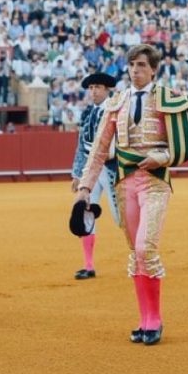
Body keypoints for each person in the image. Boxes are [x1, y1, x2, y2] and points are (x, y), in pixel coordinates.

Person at [74, 44, 188, 345]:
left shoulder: (168, 99)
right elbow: (99, 150)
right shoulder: (116, 102)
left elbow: (187, 144)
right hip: (125, 184)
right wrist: (84, 188)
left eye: (141, 65)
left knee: (145, 248)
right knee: (135, 252)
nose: (135, 70)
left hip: (154, 183)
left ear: (153, 69)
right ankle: (143, 320)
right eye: (131, 65)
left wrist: (162, 157)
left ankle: (154, 319)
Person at [70, 72, 121, 279]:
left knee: (122, 218)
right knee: (83, 211)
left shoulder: (116, 110)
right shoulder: (87, 113)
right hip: (91, 171)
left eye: (97, 87)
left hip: (111, 168)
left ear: (107, 89)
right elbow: (81, 145)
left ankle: (141, 258)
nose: (93, 92)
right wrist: (77, 174)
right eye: (91, 88)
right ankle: (88, 265)